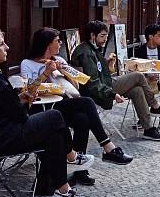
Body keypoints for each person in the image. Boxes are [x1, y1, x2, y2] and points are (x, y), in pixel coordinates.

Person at [0, 29, 93, 197]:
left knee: (54, 134)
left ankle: (62, 191)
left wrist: (22, 98)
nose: (7, 47)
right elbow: (20, 115)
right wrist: (25, 100)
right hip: (0, 139)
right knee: (55, 116)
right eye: (2, 44)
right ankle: (72, 157)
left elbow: (1, 106)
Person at [20, 28, 132, 187]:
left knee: (83, 119)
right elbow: (29, 92)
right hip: (41, 108)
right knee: (87, 103)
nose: (60, 43)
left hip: (61, 104)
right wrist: (46, 73)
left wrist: (63, 70)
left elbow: (76, 86)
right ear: (47, 44)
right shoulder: (27, 63)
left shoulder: (59, 59)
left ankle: (80, 171)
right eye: (57, 40)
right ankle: (107, 147)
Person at [71, 21, 160, 142]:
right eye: (102, 36)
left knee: (137, 90)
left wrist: (107, 63)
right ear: (93, 35)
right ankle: (155, 105)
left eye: (106, 36)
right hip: (100, 91)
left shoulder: (92, 49)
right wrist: (112, 94)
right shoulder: (86, 52)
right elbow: (93, 82)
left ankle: (149, 128)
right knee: (138, 76)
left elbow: (98, 72)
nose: (105, 39)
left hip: (105, 85)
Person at [133, 24, 160, 131]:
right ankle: (143, 116)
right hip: (144, 80)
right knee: (139, 87)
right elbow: (134, 68)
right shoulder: (139, 50)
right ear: (151, 37)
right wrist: (148, 75)